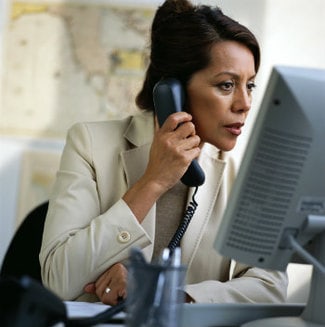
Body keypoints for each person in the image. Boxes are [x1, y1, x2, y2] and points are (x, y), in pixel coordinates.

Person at [40, 0, 288, 305]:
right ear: (175, 91)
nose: (244, 103)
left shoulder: (243, 173)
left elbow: (270, 286)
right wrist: (154, 181)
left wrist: (166, 294)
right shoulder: (90, 144)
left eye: (249, 85)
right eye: (226, 85)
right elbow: (57, 281)